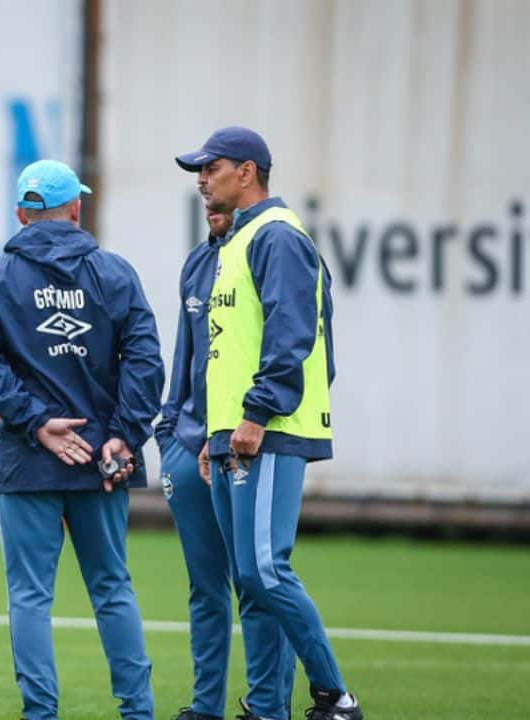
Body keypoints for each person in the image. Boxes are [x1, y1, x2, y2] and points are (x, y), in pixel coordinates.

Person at [0, 160, 163, 720]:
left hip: (28, 457)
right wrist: (123, 434)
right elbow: (144, 361)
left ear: (22, 213)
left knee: (30, 597)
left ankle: (40, 714)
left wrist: (34, 421)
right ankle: (137, 712)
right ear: (76, 208)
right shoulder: (115, 272)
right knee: (112, 589)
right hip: (102, 459)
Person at [175, 126, 362, 720]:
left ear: (247, 172)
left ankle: (335, 695)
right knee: (250, 580)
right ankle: (265, 708)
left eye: (211, 168)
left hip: (270, 429)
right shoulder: (239, 241)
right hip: (236, 433)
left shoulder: (277, 236)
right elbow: (227, 351)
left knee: (265, 570)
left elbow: (292, 334)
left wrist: (254, 415)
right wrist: (215, 432)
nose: (202, 180)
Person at [156, 206, 296, 720]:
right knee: (204, 588)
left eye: (215, 187)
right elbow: (185, 356)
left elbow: (296, 342)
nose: (210, 207)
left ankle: (269, 706)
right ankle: (205, 707)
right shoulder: (198, 263)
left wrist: (245, 424)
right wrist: (169, 430)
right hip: (189, 445)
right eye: (206, 204)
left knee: (257, 582)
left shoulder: (268, 252)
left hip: (240, 443)